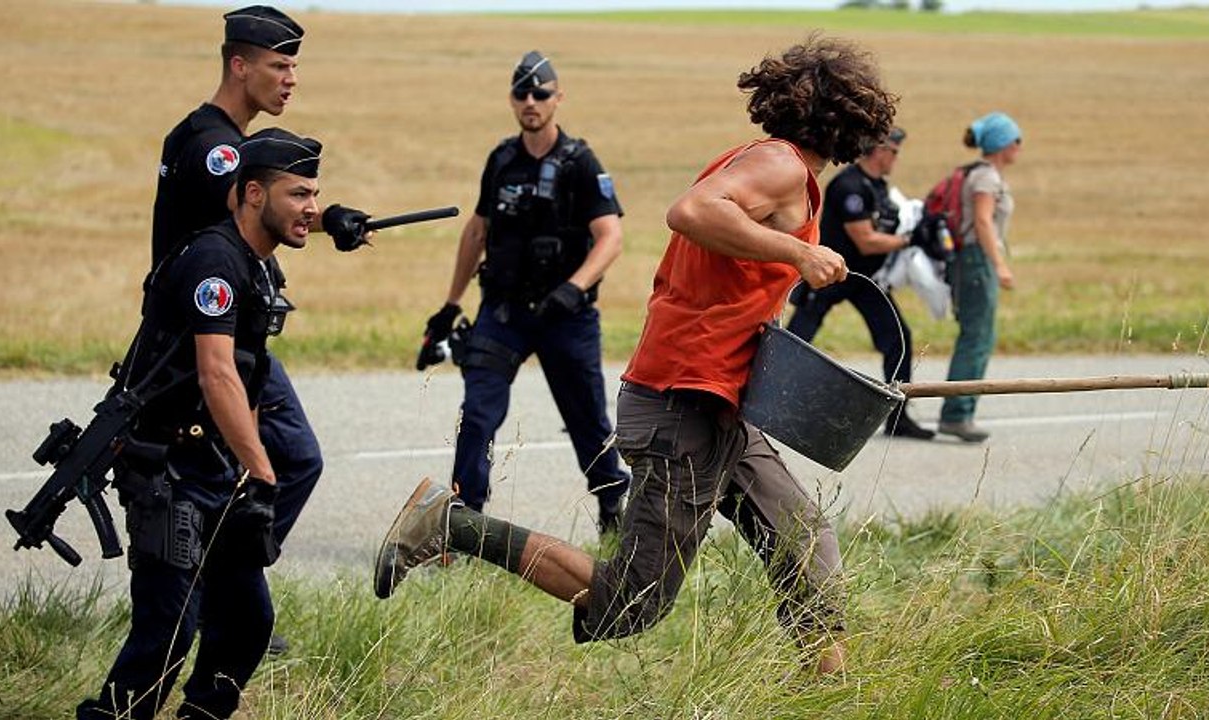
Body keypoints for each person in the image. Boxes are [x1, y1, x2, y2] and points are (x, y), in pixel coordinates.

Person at [378, 37, 896, 673]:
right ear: (849, 119)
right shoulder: (781, 166)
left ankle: (832, 693)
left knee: (802, 539)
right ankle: (450, 524)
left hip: (721, 399)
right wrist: (799, 253)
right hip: (684, 403)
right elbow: (690, 210)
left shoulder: (778, 168)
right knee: (633, 600)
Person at [77, 129, 323, 720]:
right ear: (254, 195)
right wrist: (264, 473)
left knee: (247, 623)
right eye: (298, 195)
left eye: (315, 194)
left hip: (215, 469)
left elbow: (249, 376)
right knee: (167, 630)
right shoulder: (213, 261)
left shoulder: (260, 268)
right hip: (168, 469)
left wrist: (244, 471)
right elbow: (216, 375)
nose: (312, 209)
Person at [151, 5, 370, 653]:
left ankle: (224, 603)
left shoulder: (223, 140)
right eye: (280, 64)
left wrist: (332, 220)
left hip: (226, 338)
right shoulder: (212, 145)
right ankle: (218, 605)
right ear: (239, 65)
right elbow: (257, 195)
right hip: (196, 348)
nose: (291, 78)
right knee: (275, 463)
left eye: (295, 65)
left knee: (283, 461)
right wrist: (326, 219)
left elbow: (267, 193)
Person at [416, 51, 629, 533]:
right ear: (512, 101)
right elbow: (477, 231)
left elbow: (610, 235)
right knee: (477, 416)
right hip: (503, 315)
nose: (531, 102)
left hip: (566, 317)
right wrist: (450, 307)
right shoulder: (502, 160)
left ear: (558, 99)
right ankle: (464, 523)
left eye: (541, 93)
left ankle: (614, 504)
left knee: (589, 422)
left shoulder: (579, 162)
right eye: (522, 94)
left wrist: (574, 289)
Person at [786, 126, 934, 440]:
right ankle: (770, 401)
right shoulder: (849, 187)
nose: (896, 158)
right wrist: (909, 240)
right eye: (894, 152)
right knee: (795, 342)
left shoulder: (879, 187)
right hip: (831, 274)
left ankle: (898, 418)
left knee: (898, 339)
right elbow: (865, 240)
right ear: (879, 150)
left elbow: (888, 225)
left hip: (865, 278)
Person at [937, 112, 1023, 443]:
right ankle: (957, 414)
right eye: (1016, 140)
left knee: (977, 336)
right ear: (1003, 144)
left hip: (972, 260)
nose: (1019, 147)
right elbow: (984, 223)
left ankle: (960, 410)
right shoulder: (986, 178)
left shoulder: (979, 173)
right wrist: (998, 264)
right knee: (977, 337)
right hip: (977, 261)